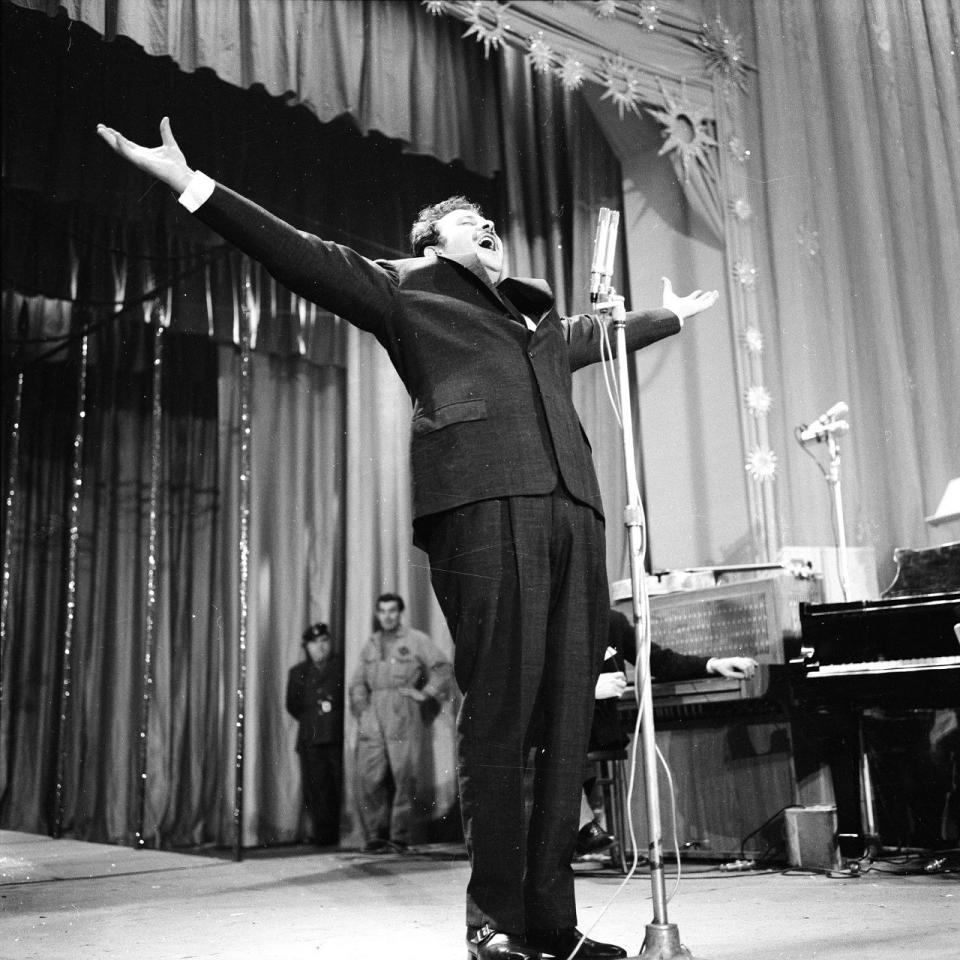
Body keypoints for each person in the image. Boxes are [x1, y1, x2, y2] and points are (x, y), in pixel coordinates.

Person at [96, 117, 719, 960]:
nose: (488, 227)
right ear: (429, 240)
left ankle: (553, 928)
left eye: (491, 223)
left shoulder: (538, 323)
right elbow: (298, 253)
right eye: (469, 221)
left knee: (565, 726)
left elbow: (600, 336)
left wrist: (668, 317)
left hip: (576, 515)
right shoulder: (406, 289)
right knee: (501, 717)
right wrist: (191, 183)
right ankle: (495, 922)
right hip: (482, 507)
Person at [576, 608, 759, 856]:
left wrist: (714, 664)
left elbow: (659, 661)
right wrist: (587, 689)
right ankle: (584, 825)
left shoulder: (612, 621)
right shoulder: (545, 620)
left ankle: (584, 827)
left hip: (596, 732)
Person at [348, 593, 452, 852]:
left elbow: (442, 667)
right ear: (376, 613)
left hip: (402, 711)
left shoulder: (415, 640)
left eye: (392, 610)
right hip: (373, 714)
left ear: (400, 612)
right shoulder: (371, 644)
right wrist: (362, 708)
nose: (387, 616)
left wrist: (424, 693)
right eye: (382, 611)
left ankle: (399, 836)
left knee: (403, 775)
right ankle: (375, 834)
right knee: (370, 776)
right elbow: (357, 682)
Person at [285, 622, 344, 847]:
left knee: (338, 785)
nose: (320, 647)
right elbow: (292, 705)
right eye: (314, 643)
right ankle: (322, 835)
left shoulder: (341, 665)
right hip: (311, 738)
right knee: (316, 788)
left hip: (336, 736)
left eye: (324, 641)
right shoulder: (298, 672)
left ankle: (340, 833)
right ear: (306, 647)